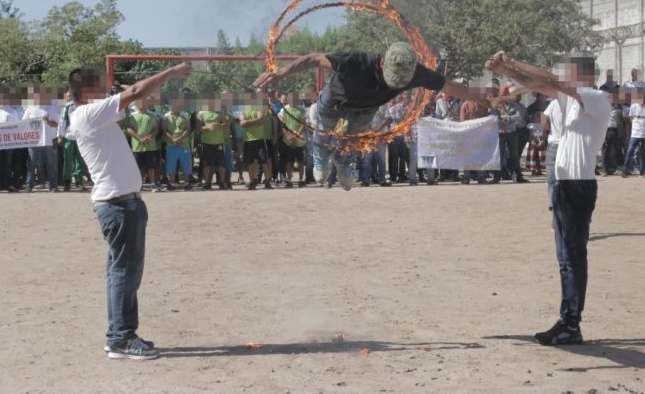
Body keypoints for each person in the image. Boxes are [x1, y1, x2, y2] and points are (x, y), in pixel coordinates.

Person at [487, 51, 611, 346]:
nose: (562, 77)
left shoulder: (593, 96)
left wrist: (513, 62)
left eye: (568, 72)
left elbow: (549, 80)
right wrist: (506, 69)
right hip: (566, 183)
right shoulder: (569, 101)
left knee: (572, 257)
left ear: (582, 75)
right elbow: (536, 83)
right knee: (566, 257)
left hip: (577, 185)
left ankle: (570, 323)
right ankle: (569, 321)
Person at [68, 63, 190, 360]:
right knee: (125, 274)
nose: (107, 89)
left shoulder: (93, 114)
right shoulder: (87, 113)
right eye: (99, 84)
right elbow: (135, 92)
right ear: (86, 90)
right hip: (118, 205)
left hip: (123, 203)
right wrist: (172, 71)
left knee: (121, 274)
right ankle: (121, 338)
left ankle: (121, 335)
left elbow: (130, 95)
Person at [253, 42, 493, 190]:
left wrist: (483, 98)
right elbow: (314, 58)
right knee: (324, 133)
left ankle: (345, 163)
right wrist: (282, 73)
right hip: (334, 101)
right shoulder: (356, 61)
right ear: (382, 62)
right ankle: (320, 155)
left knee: (354, 140)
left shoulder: (415, 72)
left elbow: (448, 87)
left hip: (366, 109)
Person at [22, 86, 61, 193]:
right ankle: (29, 185)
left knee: (51, 164)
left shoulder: (51, 109)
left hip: (49, 141)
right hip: (34, 142)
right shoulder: (30, 110)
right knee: (32, 163)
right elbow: (23, 125)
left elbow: (58, 124)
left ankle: (53, 186)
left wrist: (48, 121)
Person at [57, 91, 88, 191]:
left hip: (81, 137)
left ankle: (79, 181)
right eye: (68, 96)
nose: (70, 98)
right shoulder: (66, 108)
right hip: (69, 138)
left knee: (80, 161)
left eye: (72, 96)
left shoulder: (83, 106)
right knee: (68, 161)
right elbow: (62, 122)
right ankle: (67, 182)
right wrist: (60, 136)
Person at [621, 89, 645, 178]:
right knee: (630, 152)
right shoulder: (634, 106)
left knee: (643, 153)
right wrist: (635, 125)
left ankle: (642, 171)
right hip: (635, 134)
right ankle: (625, 170)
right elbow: (630, 117)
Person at [163, 96, 193, 190]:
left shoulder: (185, 115)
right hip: (171, 145)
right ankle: (171, 184)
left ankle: (187, 183)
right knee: (171, 165)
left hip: (184, 144)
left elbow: (188, 129)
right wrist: (173, 139)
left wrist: (180, 138)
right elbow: (164, 130)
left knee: (186, 164)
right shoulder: (166, 116)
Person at [277, 97, 308, 188]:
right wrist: (289, 136)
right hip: (287, 140)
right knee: (289, 162)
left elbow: (303, 124)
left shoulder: (302, 109)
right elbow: (282, 125)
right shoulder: (284, 109)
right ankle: (289, 180)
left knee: (301, 161)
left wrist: (296, 135)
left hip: (299, 140)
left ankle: (301, 180)